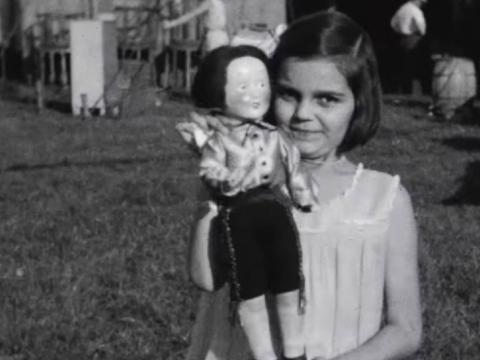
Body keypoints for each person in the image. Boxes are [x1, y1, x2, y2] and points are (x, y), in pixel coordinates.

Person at [185, 11, 422, 360]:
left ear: (359, 104)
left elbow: (406, 330)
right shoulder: (241, 183)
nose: (302, 114)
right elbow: (206, 279)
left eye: (327, 99)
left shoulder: (384, 200)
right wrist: (213, 196)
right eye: (289, 94)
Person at [177, 45, 317, 360]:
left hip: (276, 213)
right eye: (243, 87)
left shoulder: (274, 135)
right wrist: (227, 179)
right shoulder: (219, 141)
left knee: (288, 282)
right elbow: (211, 169)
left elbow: (293, 165)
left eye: (261, 83)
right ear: (218, 94)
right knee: (249, 288)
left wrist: (303, 195)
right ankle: (264, 354)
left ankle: (295, 351)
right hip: (240, 217)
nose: (256, 93)